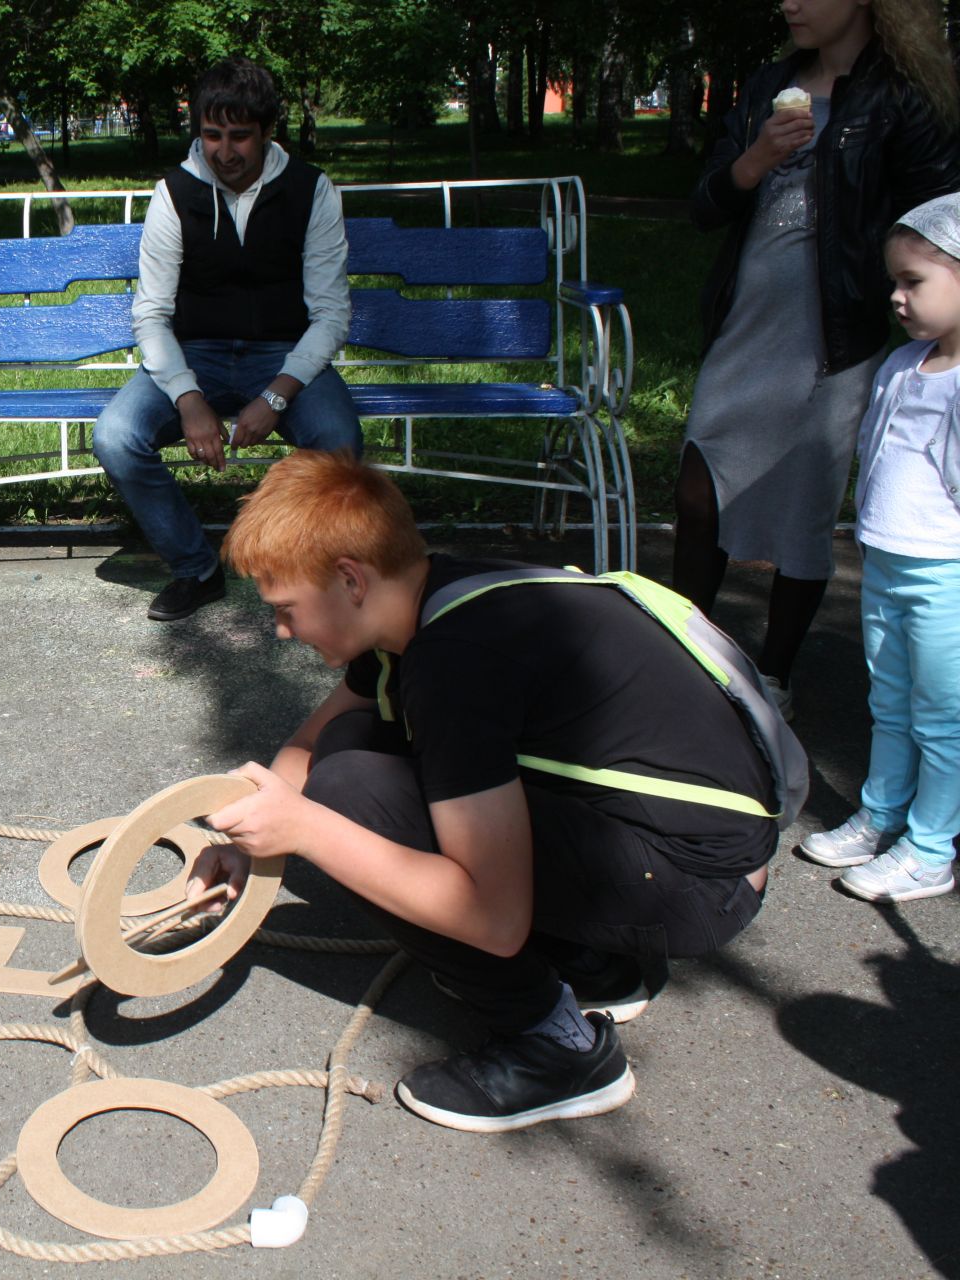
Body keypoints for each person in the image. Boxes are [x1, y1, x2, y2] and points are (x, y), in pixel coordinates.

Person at [187, 451, 778, 1133]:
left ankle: (557, 1048)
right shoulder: (429, 589)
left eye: (286, 610)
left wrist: (304, 832)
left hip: (695, 882)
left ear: (350, 578)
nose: (282, 631)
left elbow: (491, 917)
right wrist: (240, 840)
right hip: (674, 842)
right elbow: (316, 740)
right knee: (347, 749)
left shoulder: (453, 662)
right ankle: (593, 964)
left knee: (345, 793)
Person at [675, 0, 960, 718]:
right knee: (699, 490)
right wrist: (756, 158)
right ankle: (682, 654)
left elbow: (940, 223)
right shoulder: (766, 82)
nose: (787, 3)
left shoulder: (901, 95)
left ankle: (773, 673)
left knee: (806, 497)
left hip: (836, 331)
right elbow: (705, 205)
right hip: (745, 323)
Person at [93, 55, 360, 623]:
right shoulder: (174, 193)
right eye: (212, 134)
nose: (225, 150)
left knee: (338, 440)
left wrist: (277, 395)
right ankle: (197, 568)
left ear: (267, 132)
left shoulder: (311, 190)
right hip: (195, 355)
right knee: (116, 435)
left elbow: (332, 314)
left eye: (240, 135)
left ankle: (298, 573)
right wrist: (189, 400)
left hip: (284, 354)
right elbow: (152, 314)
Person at [798, 195, 960, 903]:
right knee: (890, 700)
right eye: (894, 281)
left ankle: (930, 848)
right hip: (889, 563)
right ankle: (882, 813)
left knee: (942, 715)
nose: (896, 296)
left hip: (946, 575)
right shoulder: (903, 364)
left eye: (914, 282)